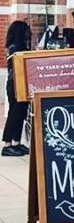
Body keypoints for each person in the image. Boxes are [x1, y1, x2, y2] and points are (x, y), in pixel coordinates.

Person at [2, 21, 32, 157]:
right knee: (14, 113)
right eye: (26, 31)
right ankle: (7, 144)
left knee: (21, 113)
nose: (28, 33)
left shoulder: (21, 46)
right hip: (15, 83)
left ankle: (17, 141)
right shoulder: (15, 48)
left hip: (21, 83)